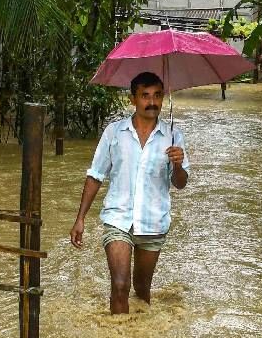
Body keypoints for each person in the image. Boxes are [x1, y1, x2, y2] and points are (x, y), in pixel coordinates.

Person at [70, 71, 189, 314]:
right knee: (120, 285)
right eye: (145, 96)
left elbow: (180, 183)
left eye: (157, 95)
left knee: (142, 288)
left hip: (153, 222)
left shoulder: (173, 136)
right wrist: (80, 218)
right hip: (118, 219)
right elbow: (95, 175)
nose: (152, 102)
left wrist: (178, 163)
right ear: (132, 99)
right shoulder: (114, 132)